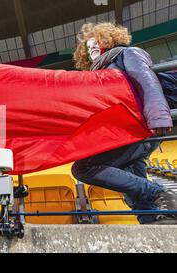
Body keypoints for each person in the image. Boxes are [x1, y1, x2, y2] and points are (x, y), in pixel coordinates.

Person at [72, 22, 177, 224]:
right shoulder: (96, 73)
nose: (91, 47)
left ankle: (159, 193)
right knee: (132, 174)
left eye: (96, 42)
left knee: (83, 168)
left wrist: (158, 115)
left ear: (108, 40)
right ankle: (153, 220)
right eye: (88, 46)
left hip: (141, 128)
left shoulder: (125, 54)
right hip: (124, 132)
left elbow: (146, 80)